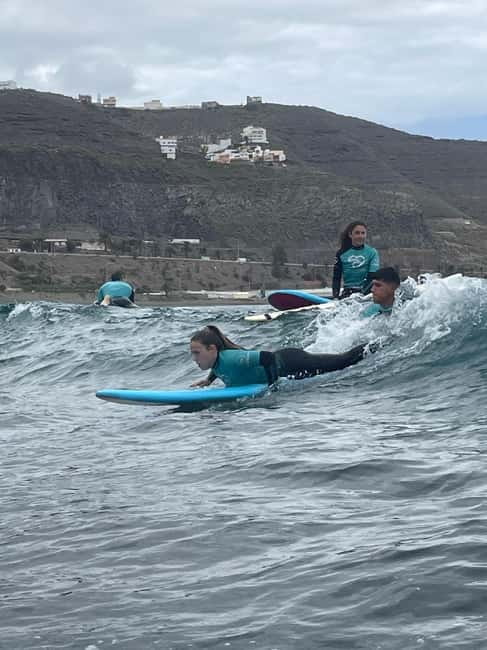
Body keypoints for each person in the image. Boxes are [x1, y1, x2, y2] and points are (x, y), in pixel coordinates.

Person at [190, 325, 367, 388]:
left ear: (212, 349)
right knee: (341, 361)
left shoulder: (230, 358)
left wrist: (272, 385)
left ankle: (376, 345)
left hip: (293, 361)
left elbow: (267, 357)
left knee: (344, 361)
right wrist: (208, 381)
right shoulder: (217, 361)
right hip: (289, 363)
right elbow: (217, 367)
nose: (194, 358)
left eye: (197, 353)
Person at [332, 221, 380, 299]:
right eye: (357, 233)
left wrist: (362, 295)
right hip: (348, 293)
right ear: (350, 235)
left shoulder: (372, 252)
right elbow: (336, 278)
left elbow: (372, 277)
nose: (360, 236)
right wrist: (335, 297)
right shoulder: (341, 253)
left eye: (363, 233)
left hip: (366, 294)